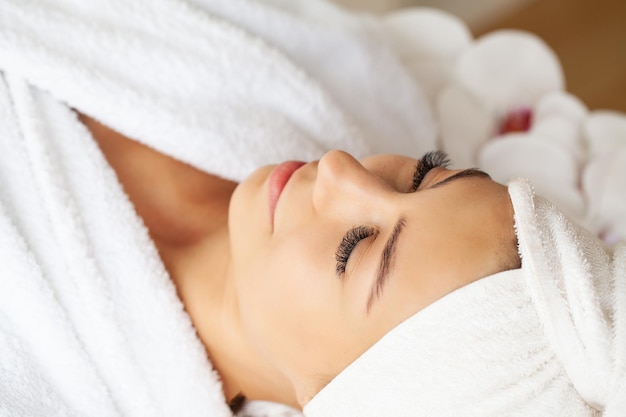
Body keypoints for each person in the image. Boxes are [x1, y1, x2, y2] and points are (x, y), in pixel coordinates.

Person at [1, 0, 624, 416]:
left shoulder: (43, 383)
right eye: (424, 173)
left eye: (354, 249)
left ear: (330, 394)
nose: (340, 171)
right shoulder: (342, 78)